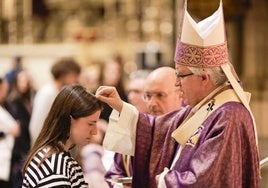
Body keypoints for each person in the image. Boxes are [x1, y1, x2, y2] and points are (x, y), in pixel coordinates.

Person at [95, 1, 260, 187]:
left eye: (180, 75)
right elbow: (155, 129)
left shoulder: (228, 115)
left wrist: (164, 181)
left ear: (204, 78)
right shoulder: (203, 109)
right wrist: (121, 106)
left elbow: (206, 180)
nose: (176, 83)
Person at [105, 67, 183, 187]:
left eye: (160, 95)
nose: (152, 103)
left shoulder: (190, 132)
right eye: (148, 96)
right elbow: (115, 173)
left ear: (180, 95)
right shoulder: (137, 130)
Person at [22, 84, 103, 187]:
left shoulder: (59, 156)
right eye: (90, 124)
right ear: (69, 121)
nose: (95, 131)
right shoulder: (54, 167)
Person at [29, 57, 81, 146]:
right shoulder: (48, 92)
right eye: (73, 75)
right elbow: (37, 125)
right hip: (44, 145)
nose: (75, 80)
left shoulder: (58, 91)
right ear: (62, 74)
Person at [7, 70, 36, 188]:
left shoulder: (30, 101)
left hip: (28, 147)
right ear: (16, 82)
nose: (24, 83)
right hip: (18, 151)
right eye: (21, 80)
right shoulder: (13, 101)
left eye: (26, 80)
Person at [0, 77, 20, 188]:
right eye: (3, 89)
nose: (5, 92)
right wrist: (8, 132)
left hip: (8, 157)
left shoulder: (6, 105)